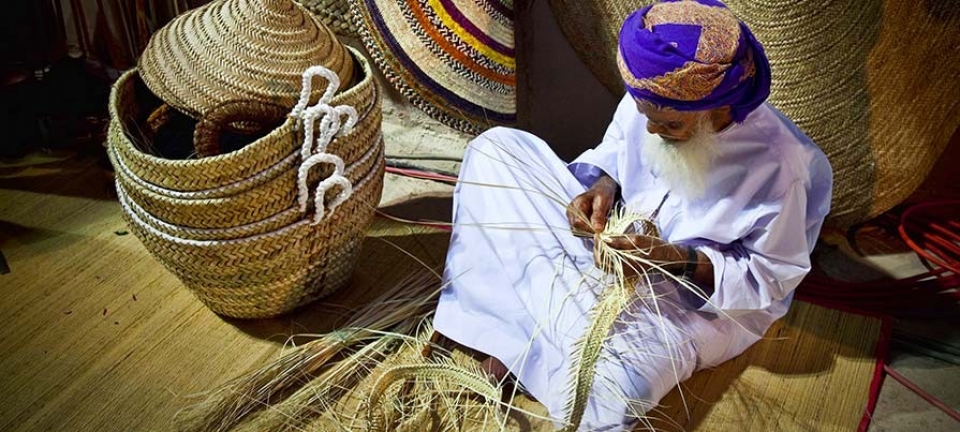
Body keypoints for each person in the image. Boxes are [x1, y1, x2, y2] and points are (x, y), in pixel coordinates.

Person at [432, 0, 833, 430]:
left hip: (686, 306)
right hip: (611, 253)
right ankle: (538, 341)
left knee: (619, 386)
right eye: (646, 116)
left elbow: (770, 277)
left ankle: (519, 337)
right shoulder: (654, 97)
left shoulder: (782, 166)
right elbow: (617, 149)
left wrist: (675, 259)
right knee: (495, 151)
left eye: (670, 126)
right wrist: (601, 187)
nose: (651, 130)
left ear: (718, 110)